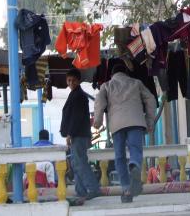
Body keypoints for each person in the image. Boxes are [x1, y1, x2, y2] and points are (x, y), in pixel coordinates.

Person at [94, 63, 156, 203]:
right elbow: (151, 99)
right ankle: (134, 164)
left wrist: (97, 121)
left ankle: (126, 190)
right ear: (126, 73)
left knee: (120, 157)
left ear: (112, 75)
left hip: (117, 124)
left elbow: (99, 102)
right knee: (135, 150)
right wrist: (149, 120)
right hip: (135, 121)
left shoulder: (107, 85)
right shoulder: (136, 83)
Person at [60, 68, 101, 200]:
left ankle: (93, 188)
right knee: (76, 163)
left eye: (73, 80)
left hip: (78, 134)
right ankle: (80, 190)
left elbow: (76, 117)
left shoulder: (78, 95)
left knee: (79, 163)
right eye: (69, 80)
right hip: (78, 134)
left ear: (79, 81)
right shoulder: (76, 94)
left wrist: (70, 134)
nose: (71, 82)